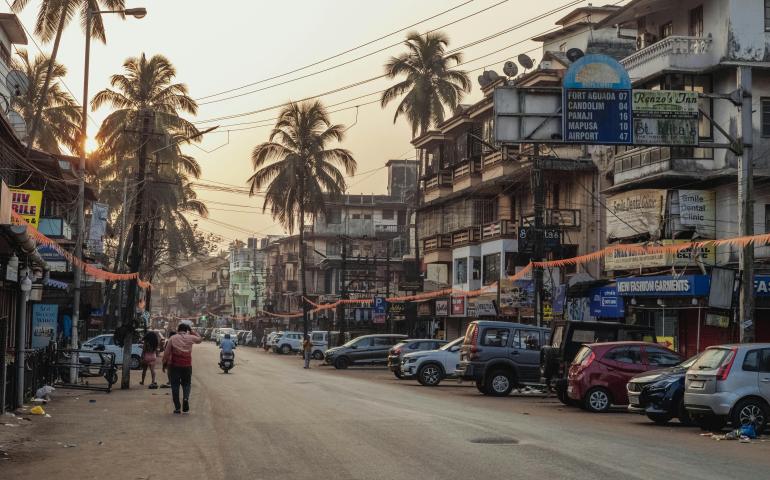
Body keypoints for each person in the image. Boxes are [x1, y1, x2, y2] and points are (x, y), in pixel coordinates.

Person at [162, 323, 201, 414]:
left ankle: (177, 408)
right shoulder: (190, 337)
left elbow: (167, 353)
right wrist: (192, 332)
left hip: (175, 366)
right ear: (186, 330)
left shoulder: (173, 338)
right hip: (187, 365)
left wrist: (164, 364)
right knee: (186, 384)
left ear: (178, 330)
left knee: (175, 386)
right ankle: (186, 398)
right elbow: (200, 339)